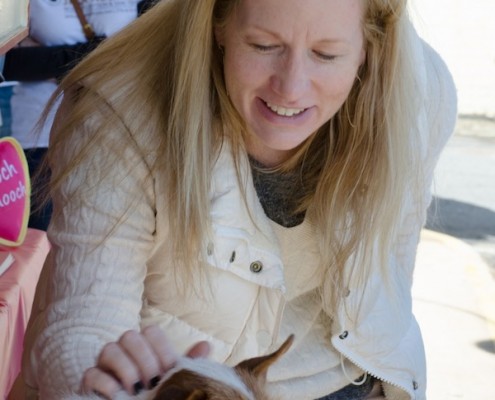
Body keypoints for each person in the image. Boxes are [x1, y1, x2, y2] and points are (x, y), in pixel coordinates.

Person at [13, 0, 457, 399]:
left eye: (327, 54)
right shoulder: (120, 111)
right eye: (264, 45)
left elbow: (390, 284)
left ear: (370, 47)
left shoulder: (420, 92)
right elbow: (83, 328)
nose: (291, 87)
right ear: (217, 22)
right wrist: (99, 383)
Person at [0, 0, 156, 230]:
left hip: (119, 137)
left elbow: (147, 52)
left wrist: (49, 60)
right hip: (38, 140)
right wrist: (100, 52)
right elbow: (9, 62)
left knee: (104, 242)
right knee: (38, 246)